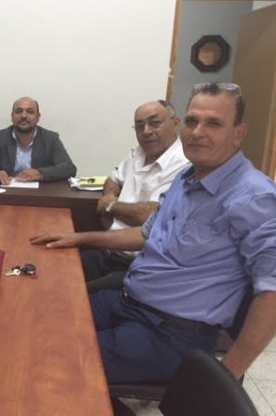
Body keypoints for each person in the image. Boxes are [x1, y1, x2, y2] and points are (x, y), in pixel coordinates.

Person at [31, 82, 276, 385]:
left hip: (171, 335)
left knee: (49, 356)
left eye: (213, 123)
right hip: (129, 303)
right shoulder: (187, 178)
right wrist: (80, 238)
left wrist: (222, 379)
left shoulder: (254, 197)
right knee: (38, 318)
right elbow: (146, 234)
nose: (197, 132)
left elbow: (271, 292)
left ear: (238, 133)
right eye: (192, 121)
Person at [83, 100, 189, 293]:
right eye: (139, 126)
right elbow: (113, 180)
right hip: (109, 251)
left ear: (175, 123)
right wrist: (110, 198)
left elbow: (150, 217)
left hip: (142, 266)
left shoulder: (184, 165)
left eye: (154, 123)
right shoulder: (137, 153)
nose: (146, 131)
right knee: (56, 268)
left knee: (75, 295)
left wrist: (111, 206)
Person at [0, 96, 76, 185]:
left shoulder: (50, 138)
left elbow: (69, 168)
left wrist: (40, 173)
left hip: (40, 194)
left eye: (30, 112)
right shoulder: (0, 137)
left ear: (38, 117)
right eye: (18, 111)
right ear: (12, 116)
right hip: (7, 192)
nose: (23, 116)